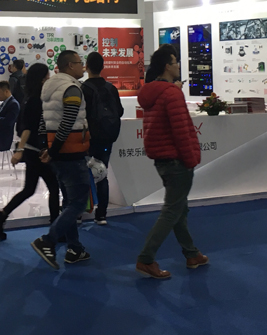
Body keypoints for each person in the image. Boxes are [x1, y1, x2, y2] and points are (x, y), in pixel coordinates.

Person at [135, 44, 208, 279]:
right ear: (167, 66)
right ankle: (146, 258)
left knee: (178, 209)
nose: (178, 66)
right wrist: (191, 158)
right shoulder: (172, 94)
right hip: (177, 160)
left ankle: (191, 253)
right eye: (176, 62)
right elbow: (181, 131)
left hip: (162, 159)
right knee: (172, 210)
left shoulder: (151, 92)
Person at [0, 63, 60, 239]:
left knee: (30, 189)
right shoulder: (35, 100)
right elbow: (28, 128)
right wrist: (19, 149)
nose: (49, 79)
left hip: (34, 150)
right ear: (42, 79)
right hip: (37, 151)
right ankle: (56, 228)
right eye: (47, 76)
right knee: (52, 187)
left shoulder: (29, 98)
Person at [31, 50, 90, 269]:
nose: (83, 66)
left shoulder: (49, 87)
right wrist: (54, 150)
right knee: (78, 202)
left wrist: (46, 147)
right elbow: (68, 121)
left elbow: (43, 121)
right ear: (70, 65)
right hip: (71, 152)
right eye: (80, 62)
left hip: (58, 153)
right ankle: (48, 241)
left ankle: (74, 248)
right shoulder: (71, 88)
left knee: (69, 201)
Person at [81, 51, 124, 225]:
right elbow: (119, 111)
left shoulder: (83, 89)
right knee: (102, 173)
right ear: (103, 67)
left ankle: (79, 212)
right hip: (107, 137)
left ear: (87, 67)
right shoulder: (111, 88)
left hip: (88, 138)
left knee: (84, 174)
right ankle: (102, 215)